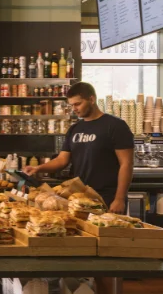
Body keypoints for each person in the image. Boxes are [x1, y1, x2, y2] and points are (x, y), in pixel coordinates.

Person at [25, 82, 134, 213]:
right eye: (71, 105)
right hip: (79, 197)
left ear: (91, 99)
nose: (74, 109)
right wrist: (38, 168)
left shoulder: (115, 125)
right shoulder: (75, 129)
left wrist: (119, 199)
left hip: (107, 197)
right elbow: (61, 160)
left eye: (77, 104)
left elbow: (126, 164)